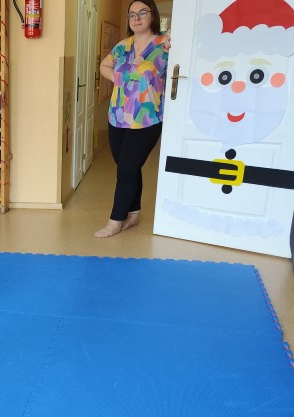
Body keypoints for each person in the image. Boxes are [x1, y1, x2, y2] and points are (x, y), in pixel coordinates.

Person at [94, 0, 168, 238]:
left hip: (147, 119)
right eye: (132, 14)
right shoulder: (122, 46)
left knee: (127, 169)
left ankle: (116, 220)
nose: (136, 18)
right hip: (117, 116)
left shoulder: (164, 45)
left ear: (152, 15)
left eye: (142, 13)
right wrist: (118, 79)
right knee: (128, 167)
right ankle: (134, 213)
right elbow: (104, 66)